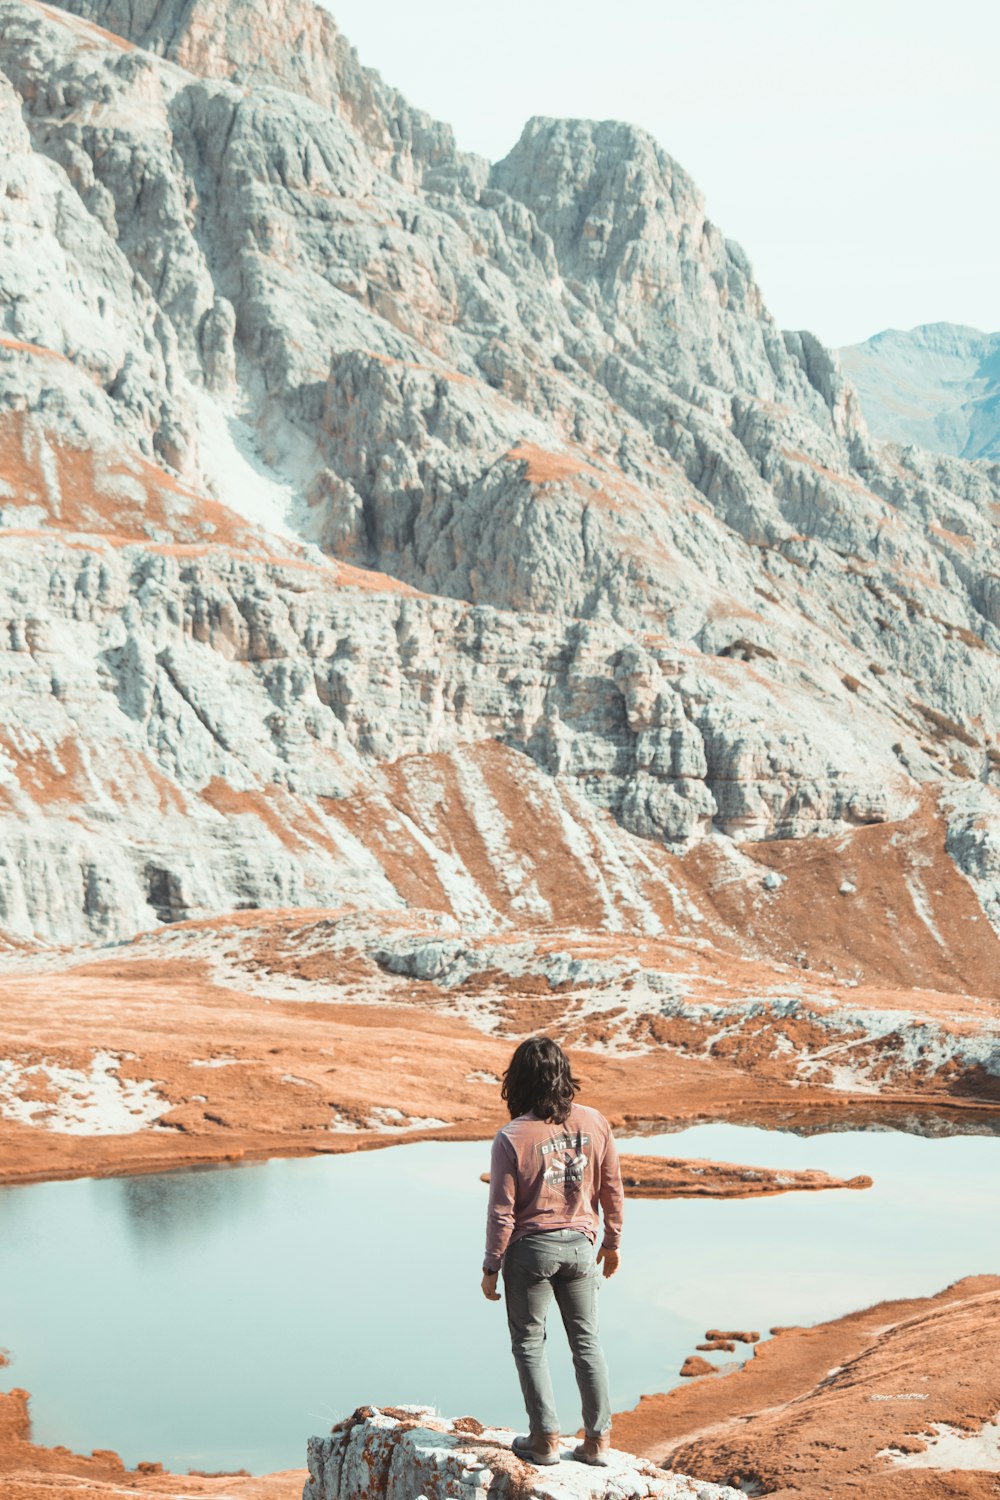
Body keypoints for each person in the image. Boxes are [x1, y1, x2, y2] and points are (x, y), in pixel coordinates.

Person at [481, 1036, 624, 1468]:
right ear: (564, 1074)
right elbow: (611, 1187)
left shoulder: (512, 1136)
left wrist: (491, 1266)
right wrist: (612, 1242)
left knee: (528, 1342)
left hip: (530, 1252)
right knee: (586, 1342)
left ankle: (544, 1440)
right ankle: (597, 1442)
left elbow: (502, 1212)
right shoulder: (594, 1121)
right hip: (581, 1247)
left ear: (518, 1080)